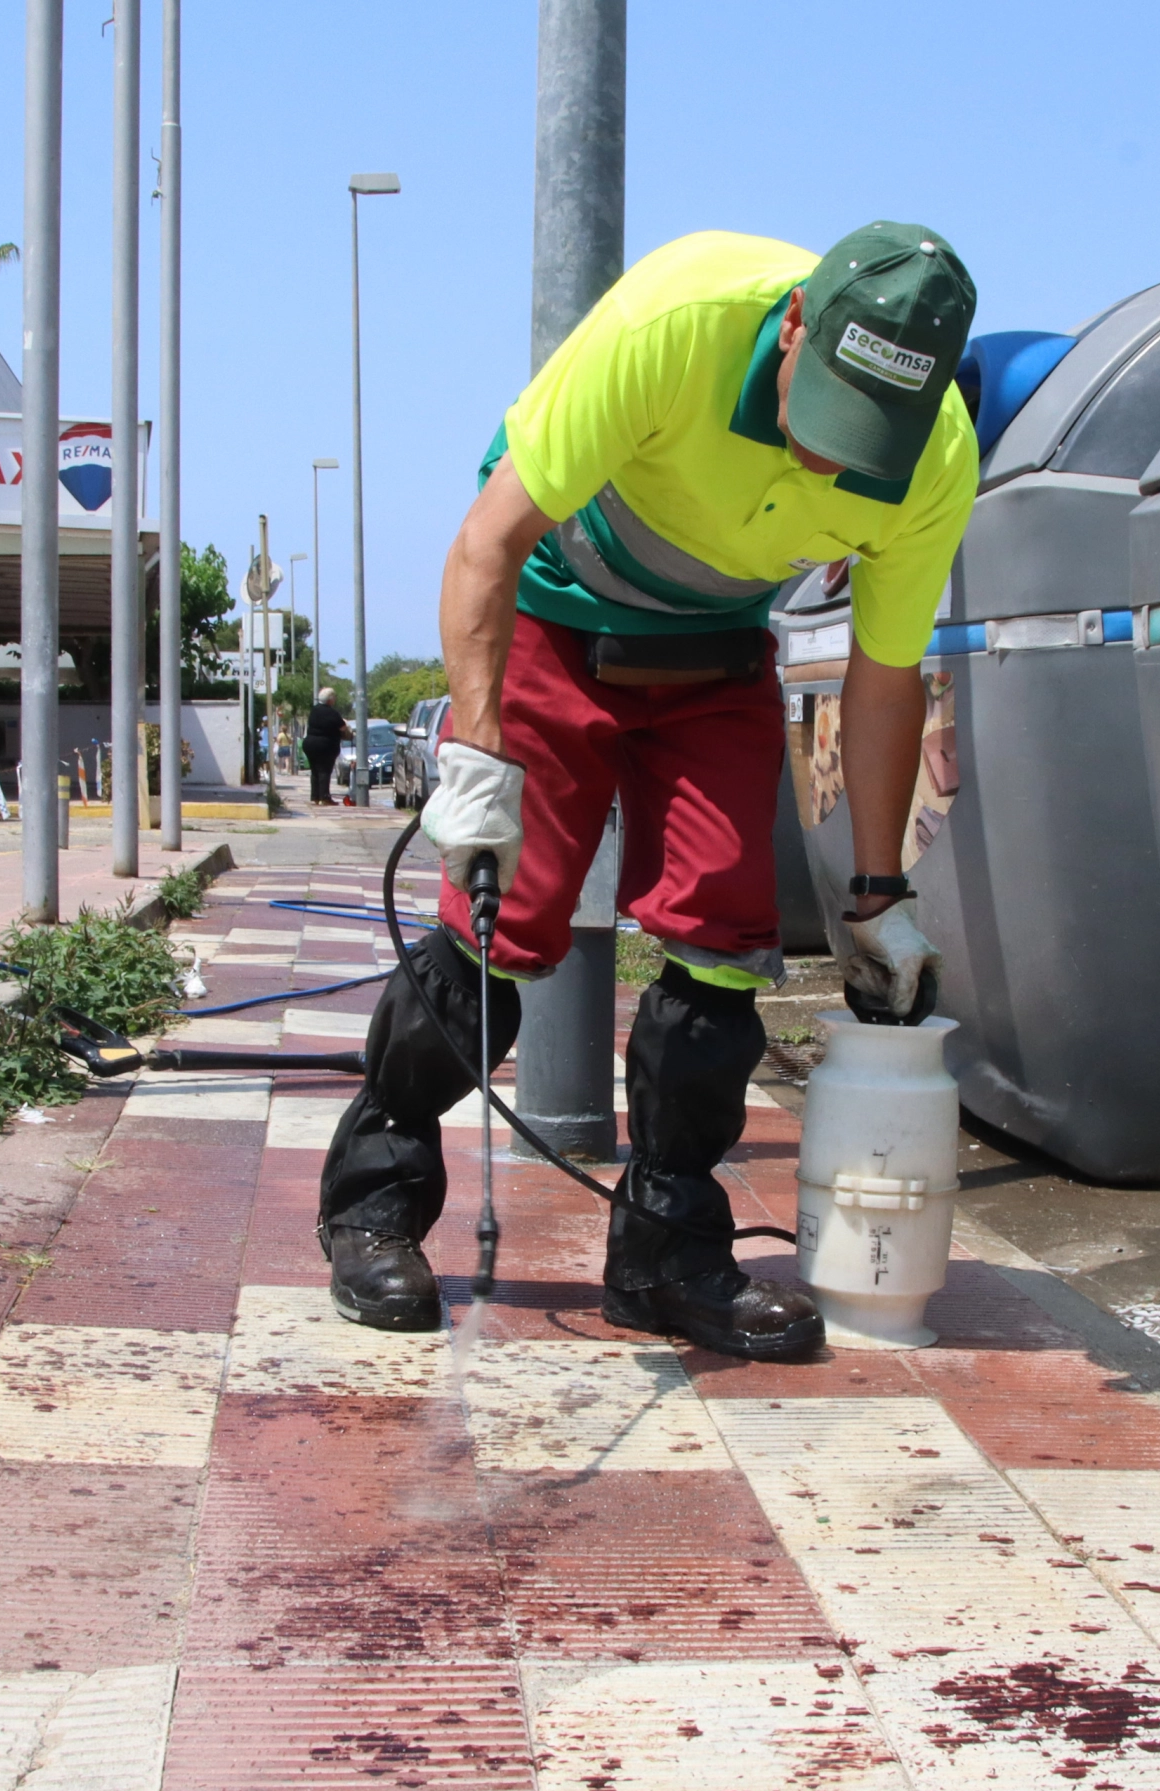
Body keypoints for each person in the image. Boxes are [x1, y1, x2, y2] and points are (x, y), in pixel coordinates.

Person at [318, 223, 973, 1363]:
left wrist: (879, 894)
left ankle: (666, 1252)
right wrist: (476, 762)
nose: (830, 464)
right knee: (503, 920)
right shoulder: (673, 325)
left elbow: (883, 678)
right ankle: (375, 1201)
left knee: (726, 934)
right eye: (824, 419)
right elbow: (485, 544)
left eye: (863, 442)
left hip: (713, 648)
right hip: (554, 605)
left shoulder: (936, 457)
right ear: (796, 326)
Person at [304, 691, 346, 805]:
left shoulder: (314, 710)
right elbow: (342, 727)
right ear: (329, 699)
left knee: (314, 771)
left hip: (310, 743)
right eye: (334, 697)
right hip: (325, 745)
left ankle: (315, 796)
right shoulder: (332, 713)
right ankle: (325, 797)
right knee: (324, 770)